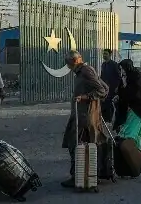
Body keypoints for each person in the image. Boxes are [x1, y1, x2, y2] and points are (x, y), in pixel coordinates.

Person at [60, 51, 109, 188]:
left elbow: (102, 90)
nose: (68, 67)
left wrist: (85, 98)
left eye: (68, 64)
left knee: (75, 144)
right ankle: (85, 175)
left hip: (84, 117)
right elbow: (104, 87)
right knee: (83, 144)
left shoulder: (86, 71)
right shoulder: (85, 71)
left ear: (74, 61)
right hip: (81, 115)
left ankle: (80, 176)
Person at [114, 59, 141, 156]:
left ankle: (135, 152)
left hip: (137, 109)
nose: (121, 71)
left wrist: (125, 86)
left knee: (132, 130)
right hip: (128, 108)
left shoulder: (137, 77)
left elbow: (137, 94)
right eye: (120, 69)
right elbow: (122, 92)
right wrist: (119, 95)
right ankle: (140, 151)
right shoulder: (125, 77)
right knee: (140, 131)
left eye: (123, 69)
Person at [100, 49, 121, 123]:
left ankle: (111, 120)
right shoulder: (103, 64)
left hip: (113, 88)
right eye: (103, 54)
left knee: (114, 104)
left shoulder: (114, 64)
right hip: (105, 88)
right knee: (105, 103)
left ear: (110, 55)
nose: (104, 55)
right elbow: (102, 76)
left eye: (106, 54)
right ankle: (106, 119)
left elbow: (119, 77)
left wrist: (117, 87)